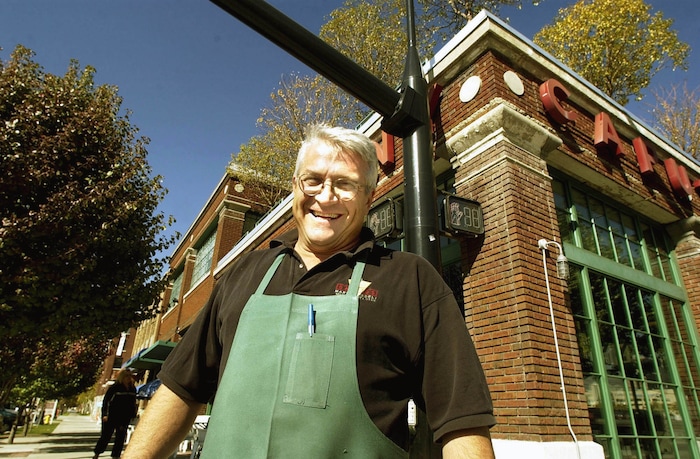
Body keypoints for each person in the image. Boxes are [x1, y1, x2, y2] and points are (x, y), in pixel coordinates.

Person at [124, 124, 496, 458]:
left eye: (345, 184)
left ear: (369, 197)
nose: (326, 195)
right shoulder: (245, 272)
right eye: (313, 180)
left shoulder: (410, 279)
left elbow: (462, 421)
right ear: (295, 187)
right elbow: (179, 390)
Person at [94, 368, 137, 459]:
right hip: (112, 416)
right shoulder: (115, 387)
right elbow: (106, 402)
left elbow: (133, 403)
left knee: (120, 437)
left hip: (124, 417)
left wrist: (133, 413)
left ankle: (116, 456)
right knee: (106, 436)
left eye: (130, 376)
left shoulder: (132, 389)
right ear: (122, 377)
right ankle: (97, 453)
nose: (129, 378)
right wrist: (105, 414)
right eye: (126, 376)